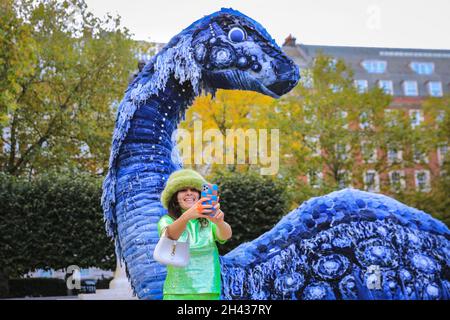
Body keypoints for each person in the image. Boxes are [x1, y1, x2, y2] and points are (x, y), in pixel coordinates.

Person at [157, 169, 232, 300]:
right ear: (174, 196)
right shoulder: (166, 220)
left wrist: (219, 222)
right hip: (177, 291)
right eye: (183, 189)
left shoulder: (209, 220)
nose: (189, 193)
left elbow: (225, 236)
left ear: (199, 194)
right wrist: (188, 215)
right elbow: (170, 235)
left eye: (193, 189)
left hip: (209, 289)